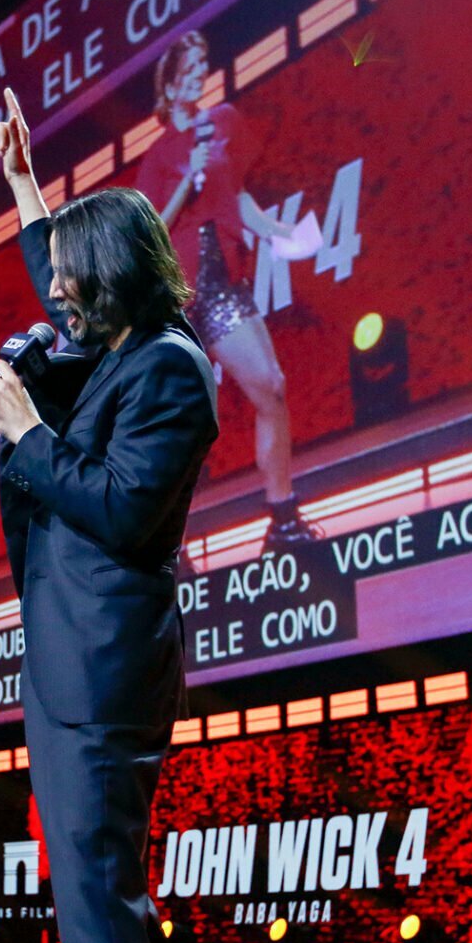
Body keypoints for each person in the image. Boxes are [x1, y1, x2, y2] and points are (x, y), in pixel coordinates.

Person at [0, 88, 218, 943]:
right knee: (111, 900)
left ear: (113, 277)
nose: (51, 296)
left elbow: (119, 509)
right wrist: (24, 186)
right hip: (81, 657)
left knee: (96, 906)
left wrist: (22, 429)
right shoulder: (121, 352)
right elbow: (57, 279)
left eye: (70, 278)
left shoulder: (166, 372)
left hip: (105, 661)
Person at [136, 29, 318, 554]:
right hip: (183, 296)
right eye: (189, 68)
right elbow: (152, 228)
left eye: (203, 64)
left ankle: (282, 517)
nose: (200, 74)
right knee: (181, 433)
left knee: (273, 386)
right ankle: (169, 546)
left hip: (225, 280)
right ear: (169, 86)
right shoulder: (157, 156)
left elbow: (235, 199)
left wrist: (280, 234)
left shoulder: (222, 125)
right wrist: (183, 181)